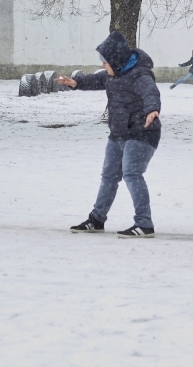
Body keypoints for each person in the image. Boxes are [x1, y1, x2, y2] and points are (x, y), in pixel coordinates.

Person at [58, 31, 162, 238]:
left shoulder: (139, 75)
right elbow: (95, 80)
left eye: (106, 62)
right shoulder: (112, 75)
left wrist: (152, 109)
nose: (104, 66)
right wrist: (76, 83)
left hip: (143, 132)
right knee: (109, 176)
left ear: (116, 60)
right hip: (119, 133)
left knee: (132, 173)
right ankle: (97, 219)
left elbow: (151, 92)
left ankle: (144, 223)